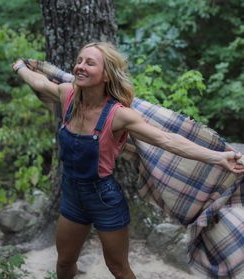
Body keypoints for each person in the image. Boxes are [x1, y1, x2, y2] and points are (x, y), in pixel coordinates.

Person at [12, 42, 244, 279]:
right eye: (79, 60)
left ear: (106, 75)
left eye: (89, 63)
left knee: (119, 269)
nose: (80, 66)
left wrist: (219, 157)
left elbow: (167, 140)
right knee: (63, 264)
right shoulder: (66, 95)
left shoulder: (119, 115)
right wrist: (20, 67)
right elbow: (39, 82)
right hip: (71, 195)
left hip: (104, 199)